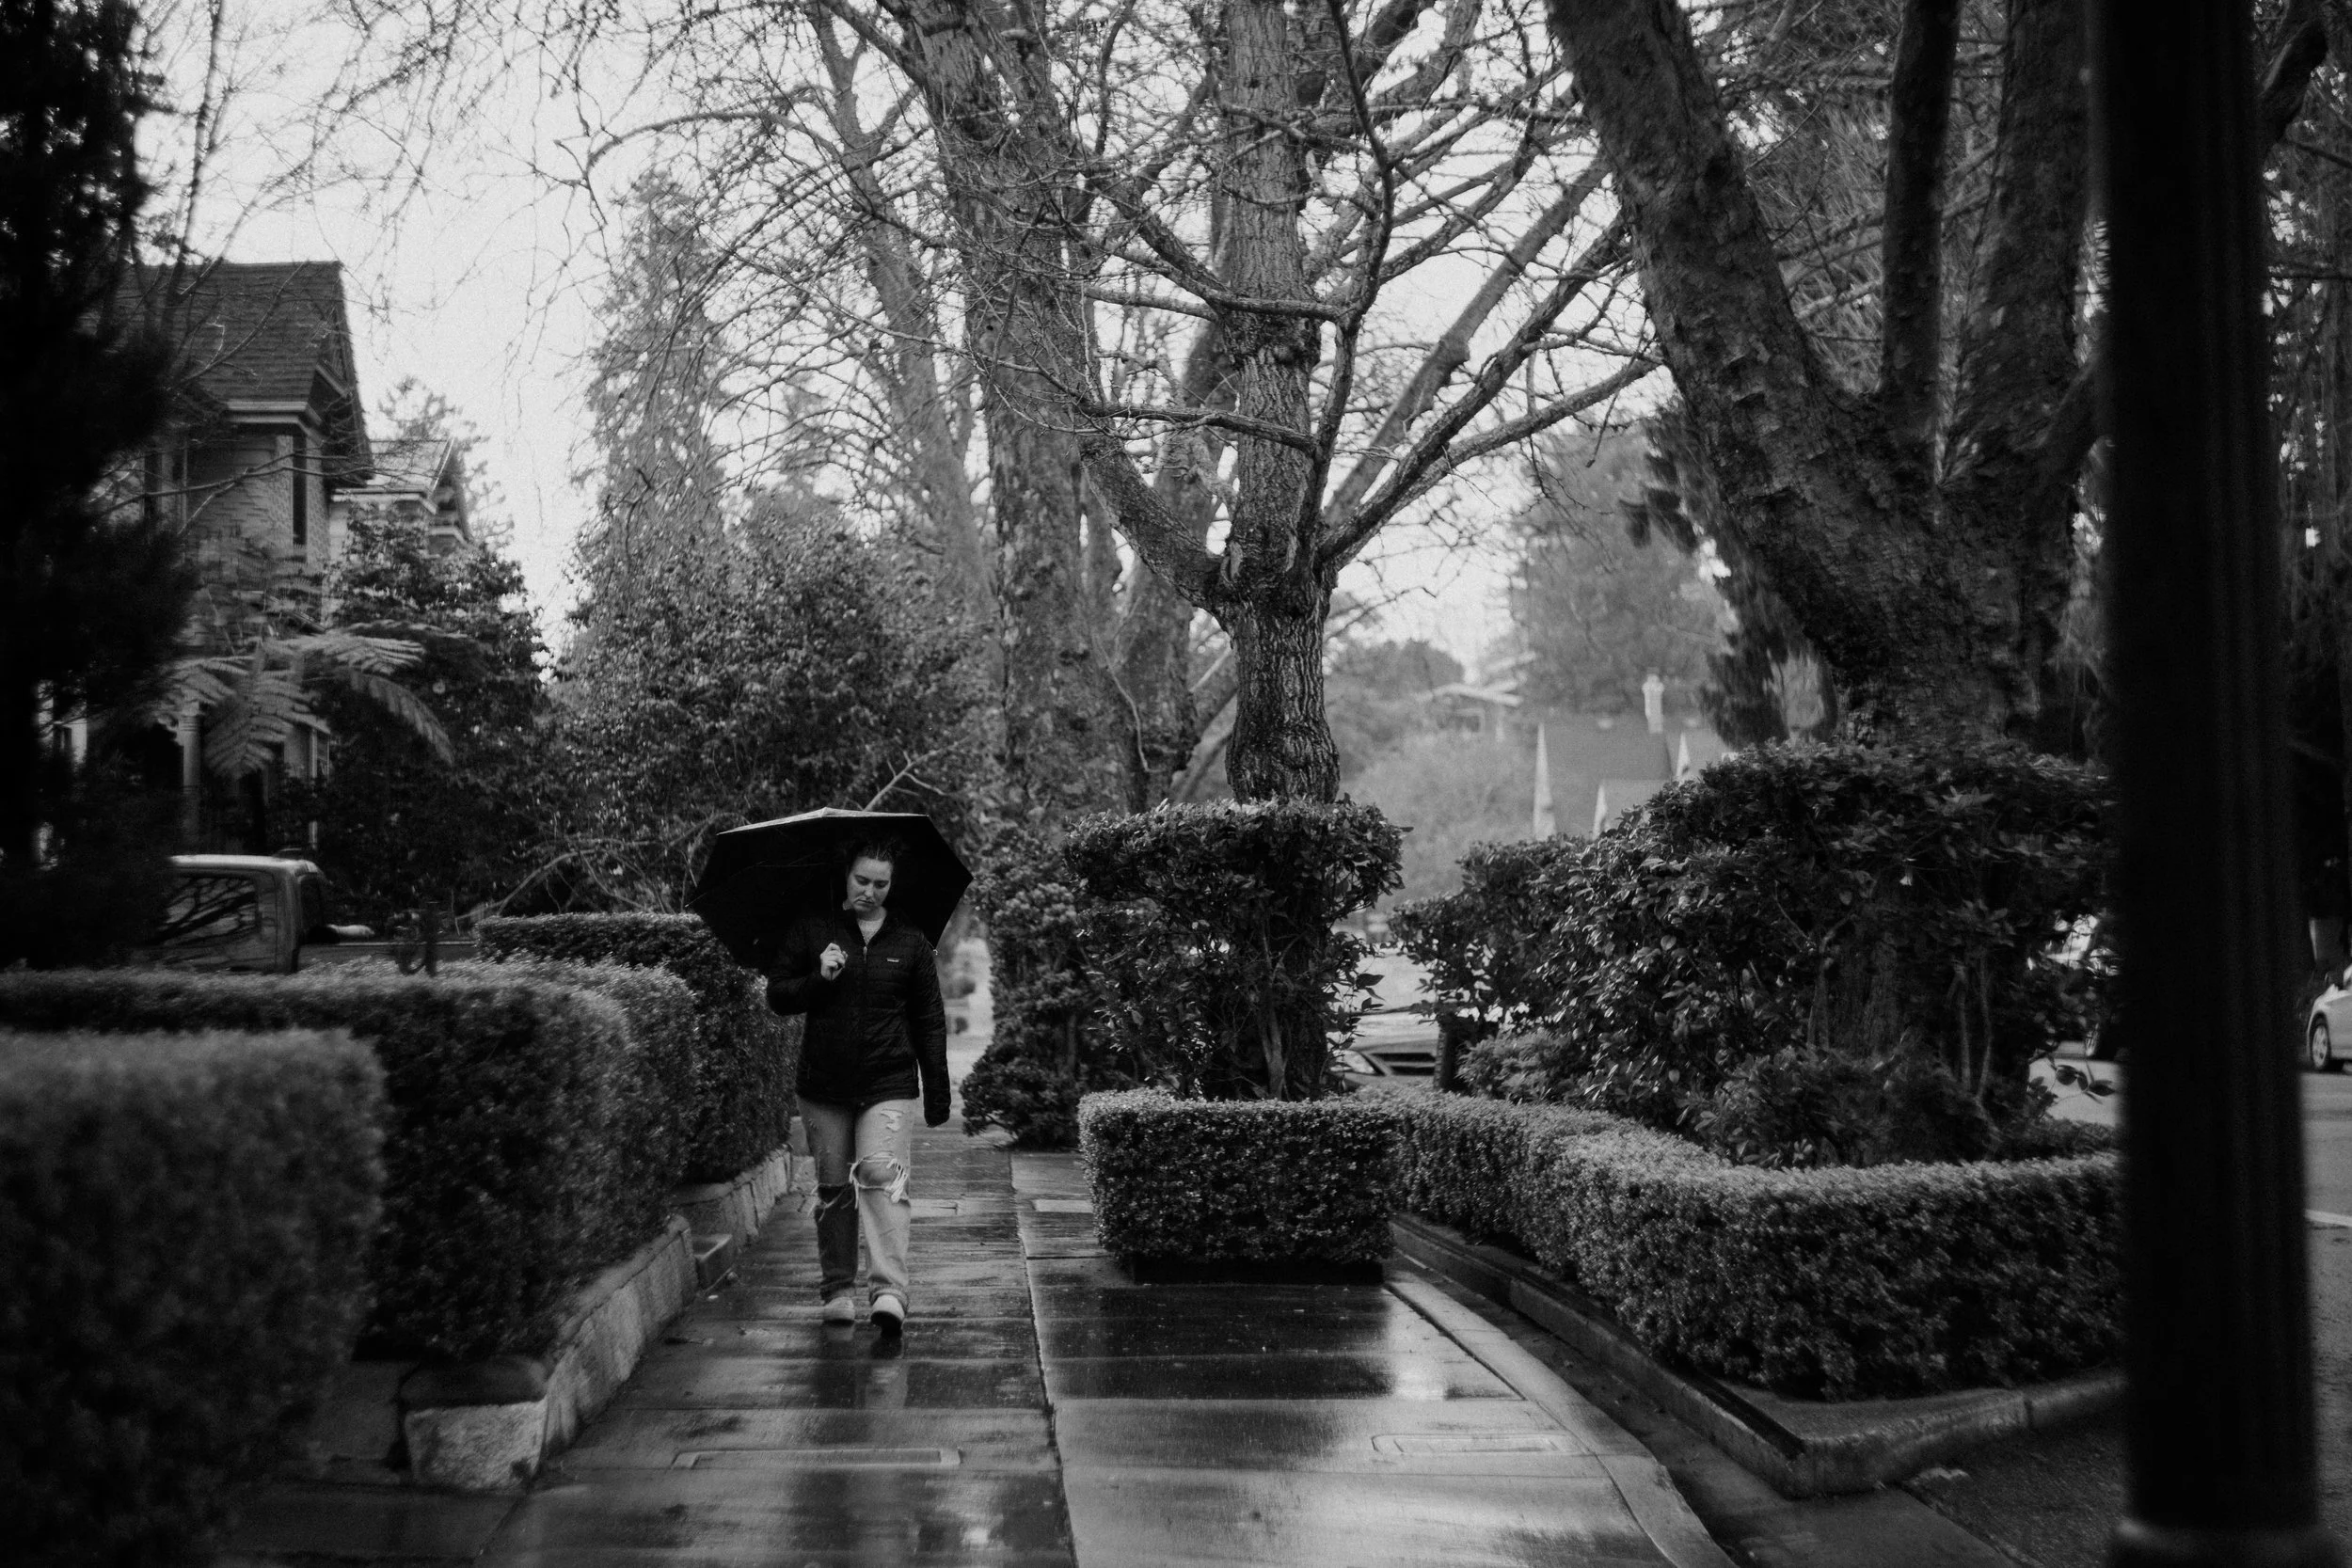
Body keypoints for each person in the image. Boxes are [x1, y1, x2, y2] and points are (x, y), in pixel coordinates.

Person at [763, 837, 950, 1333]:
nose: (870, 891)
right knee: (833, 1190)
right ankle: (838, 1289)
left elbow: (929, 1020)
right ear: (847, 876)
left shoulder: (909, 941)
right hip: (823, 1085)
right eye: (862, 880)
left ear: (893, 884)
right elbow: (778, 996)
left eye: (881, 883)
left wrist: (937, 1092)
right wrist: (819, 978)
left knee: (881, 1178)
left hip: (888, 1082)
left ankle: (889, 1291)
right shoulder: (814, 927)